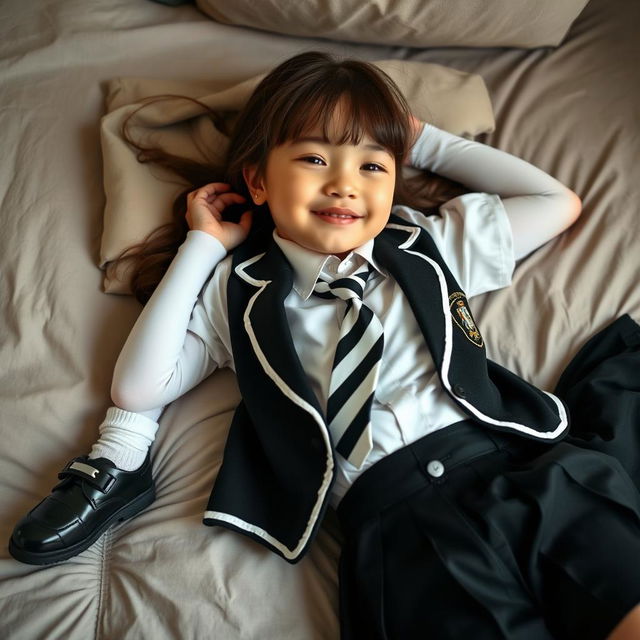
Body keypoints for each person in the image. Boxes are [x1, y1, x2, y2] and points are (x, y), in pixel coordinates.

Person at [9, 51, 640, 639]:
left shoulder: (427, 244)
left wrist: (416, 137)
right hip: (401, 531)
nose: (344, 184)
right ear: (257, 180)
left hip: (518, 472)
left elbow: (556, 202)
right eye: (315, 159)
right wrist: (203, 245)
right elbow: (140, 387)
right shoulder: (241, 291)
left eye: (372, 165)